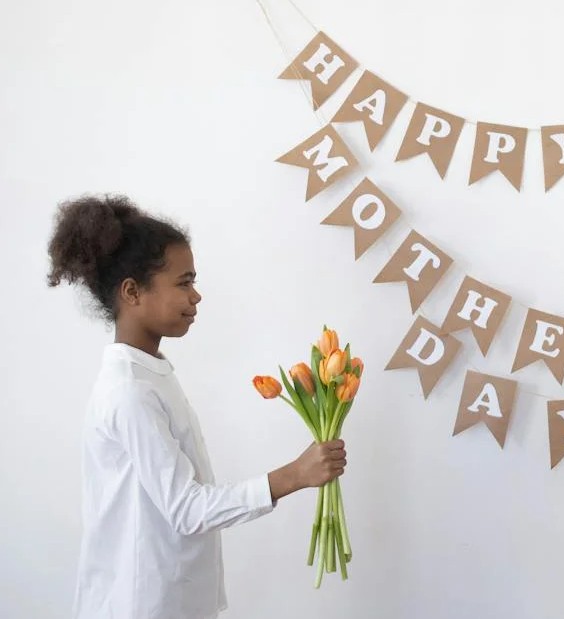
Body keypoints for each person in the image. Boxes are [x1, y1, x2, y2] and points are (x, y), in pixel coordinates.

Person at [47, 194, 347, 619]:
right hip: (141, 606)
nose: (197, 295)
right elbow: (186, 509)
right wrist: (293, 476)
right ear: (132, 292)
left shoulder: (150, 374)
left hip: (171, 600)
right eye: (183, 283)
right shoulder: (129, 392)